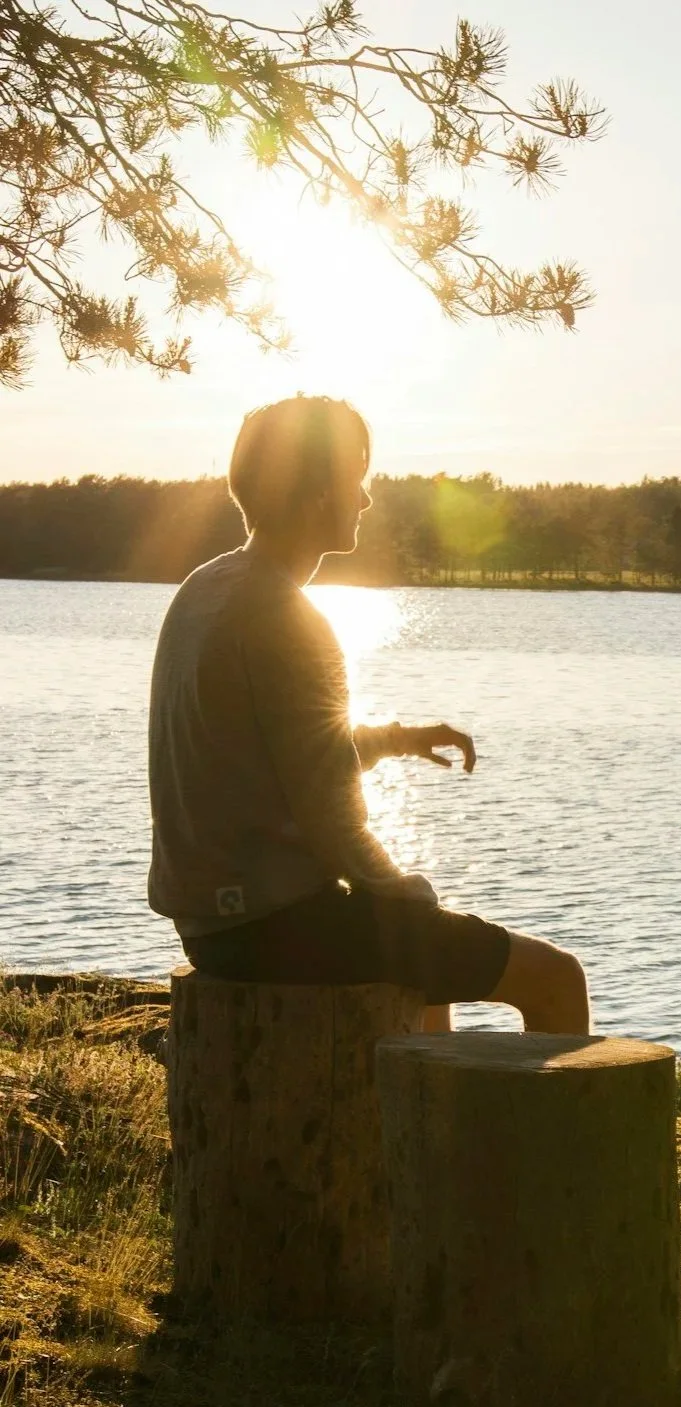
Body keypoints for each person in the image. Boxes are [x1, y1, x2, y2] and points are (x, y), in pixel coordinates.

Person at [147, 394, 588, 1033]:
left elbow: (279, 754)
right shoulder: (287, 617)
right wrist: (407, 891)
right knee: (554, 977)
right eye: (356, 479)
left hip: (211, 926)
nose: (367, 498)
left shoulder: (207, 587)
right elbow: (333, 817)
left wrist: (395, 740)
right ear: (318, 493)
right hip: (275, 927)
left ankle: (426, 1097)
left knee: (421, 962)